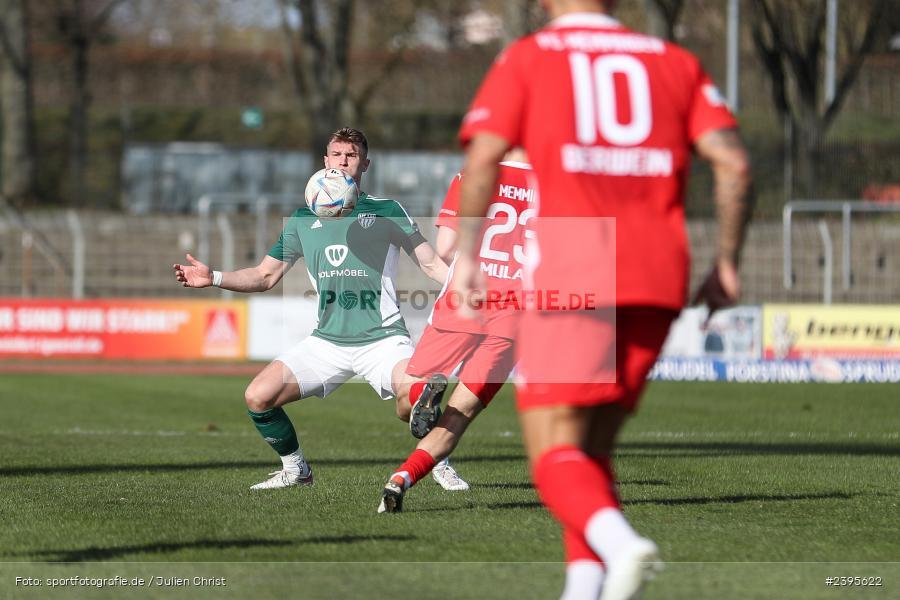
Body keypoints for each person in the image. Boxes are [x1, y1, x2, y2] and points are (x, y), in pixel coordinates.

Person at [450, 2, 753, 600]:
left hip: (577, 263)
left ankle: (621, 546)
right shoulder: (675, 61)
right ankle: (587, 587)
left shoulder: (529, 57)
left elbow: (483, 157)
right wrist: (726, 263)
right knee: (590, 454)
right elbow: (735, 163)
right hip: (658, 273)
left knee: (554, 452)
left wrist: (466, 254)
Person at [173, 127, 466, 491]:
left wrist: (472, 291)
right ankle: (296, 469)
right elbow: (264, 276)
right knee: (258, 396)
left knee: (417, 396)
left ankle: (439, 461)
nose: (343, 161)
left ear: (365, 164)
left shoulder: (387, 210)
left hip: (383, 340)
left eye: (352, 155)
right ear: (326, 161)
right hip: (326, 343)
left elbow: (432, 264)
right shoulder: (301, 220)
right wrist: (214, 277)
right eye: (337, 155)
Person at [378, 152, 535, 512]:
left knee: (405, 401)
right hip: (514, 317)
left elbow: (446, 248)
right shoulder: (554, 186)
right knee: (459, 414)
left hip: (461, 303)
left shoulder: (475, 174)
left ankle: (420, 393)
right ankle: (401, 477)